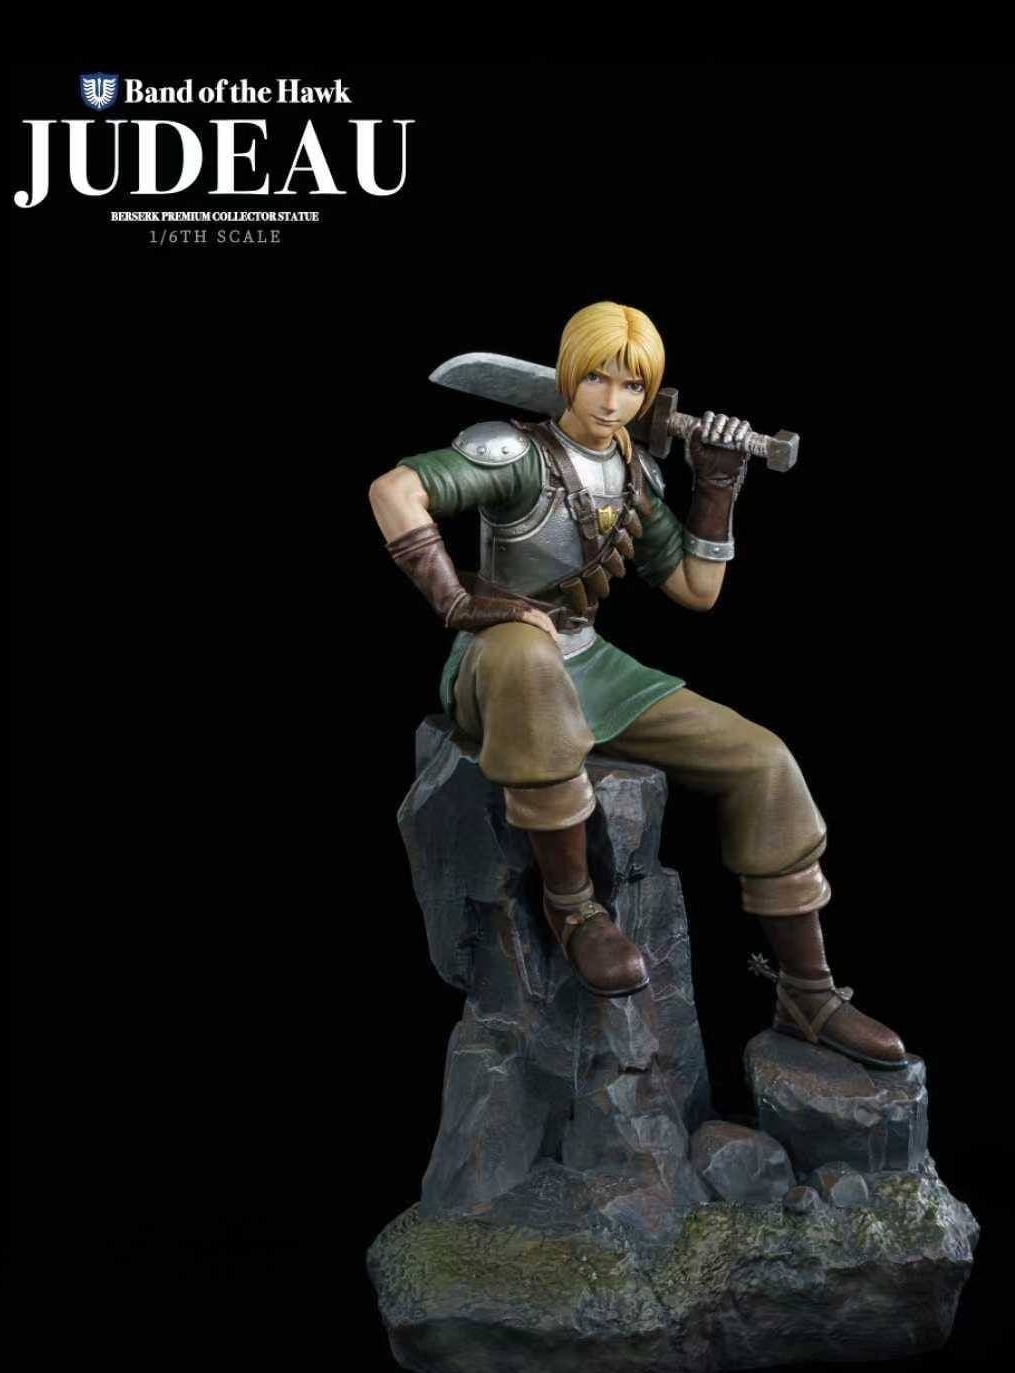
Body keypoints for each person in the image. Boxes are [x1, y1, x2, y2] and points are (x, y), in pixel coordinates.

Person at [369, 302, 907, 1068]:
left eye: (631, 386)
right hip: (500, 661)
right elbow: (393, 491)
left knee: (762, 759)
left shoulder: (635, 473)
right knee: (528, 655)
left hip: (588, 662)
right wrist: (457, 602)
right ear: (568, 375)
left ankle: (808, 992)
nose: (612, 400)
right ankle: (573, 910)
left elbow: (696, 590)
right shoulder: (513, 453)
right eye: (597, 377)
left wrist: (715, 487)